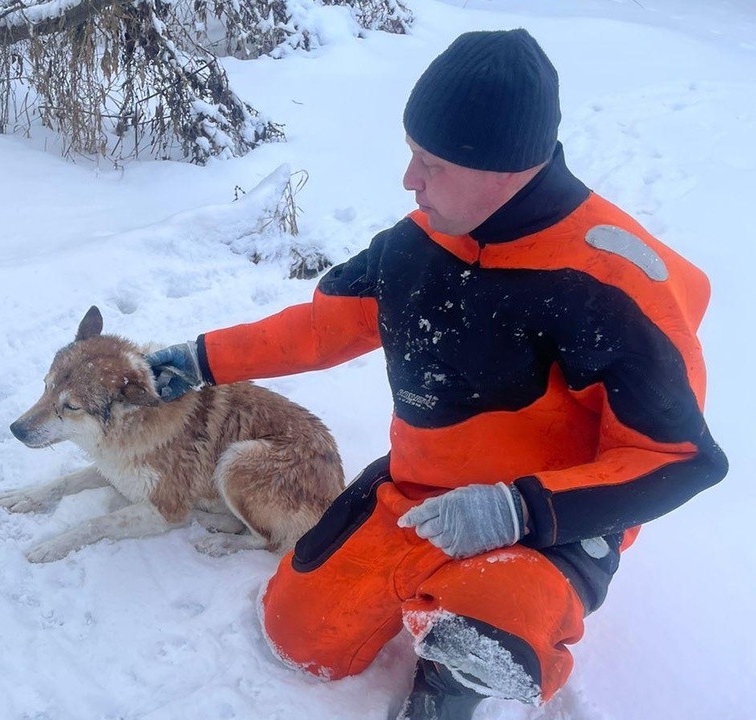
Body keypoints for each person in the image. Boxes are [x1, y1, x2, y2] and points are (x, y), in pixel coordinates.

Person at [145, 28, 728, 720]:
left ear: (508, 168)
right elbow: (319, 328)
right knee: (301, 639)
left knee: (483, 652)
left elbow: (680, 459)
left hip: (545, 525)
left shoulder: (611, 282)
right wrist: (201, 358)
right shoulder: (415, 245)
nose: (409, 179)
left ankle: (480, 662)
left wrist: (516, 509)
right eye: (411, 154)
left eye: (431, 163)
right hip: (419, 494)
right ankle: (423, 589)